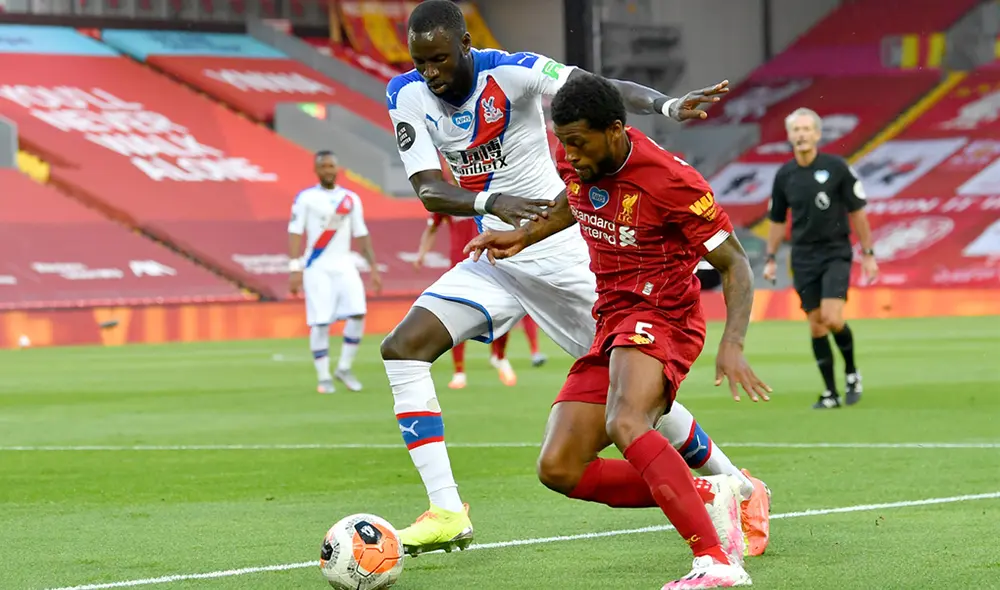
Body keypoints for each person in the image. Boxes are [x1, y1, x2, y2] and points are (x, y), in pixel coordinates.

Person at [382, 0, 770, 559]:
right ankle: (447, 510)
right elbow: (427, 189)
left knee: (636, 398)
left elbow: (596, 86)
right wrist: (494, 205)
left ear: (466, 44)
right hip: (500, 249)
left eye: (440, 59)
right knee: (402, 348)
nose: (431, 73)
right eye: (421, 62)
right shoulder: (407, 95)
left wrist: (666, 103)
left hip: (568, 250)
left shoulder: (510, 71)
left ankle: (733, 484)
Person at [466, 73, 770, 589]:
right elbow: (574, 198)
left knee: (626, 423)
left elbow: (735, 263)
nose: (570, 155)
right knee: (559, 467)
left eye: (579, 143)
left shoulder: (672, 181)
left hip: (664, 316)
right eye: (563, 142)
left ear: (614, 130)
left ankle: (716, 561)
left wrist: (733, 344)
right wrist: (523, 235)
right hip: (611, 321)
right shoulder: (575, 155)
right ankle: (709, 493)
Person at [763, 108, 878, 409]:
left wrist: (867, 253)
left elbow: (858, 212)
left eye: (806, 129)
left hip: (835, 253)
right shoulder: (784, 175)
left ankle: (852, 372)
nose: (801, 135)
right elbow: (777, 220)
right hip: (802, 256)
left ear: (816, 134)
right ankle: (831, 393)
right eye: (796, 130)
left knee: (832, 318)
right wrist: (771, 257)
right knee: (816, 326)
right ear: (790, 136)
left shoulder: (837, 168)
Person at [288, 150, 382, 393]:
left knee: (358, 313)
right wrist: (295, 267)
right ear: (317, 170)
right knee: (320, 322)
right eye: (324, 166)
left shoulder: (350, 198)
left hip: (344, 265)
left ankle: (344, 367)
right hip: (316, 267)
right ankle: (323, 377)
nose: (329, 170)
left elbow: (361, 234)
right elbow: (295, 233)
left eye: (332, 166)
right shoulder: (306, 198)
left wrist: (373, 268)